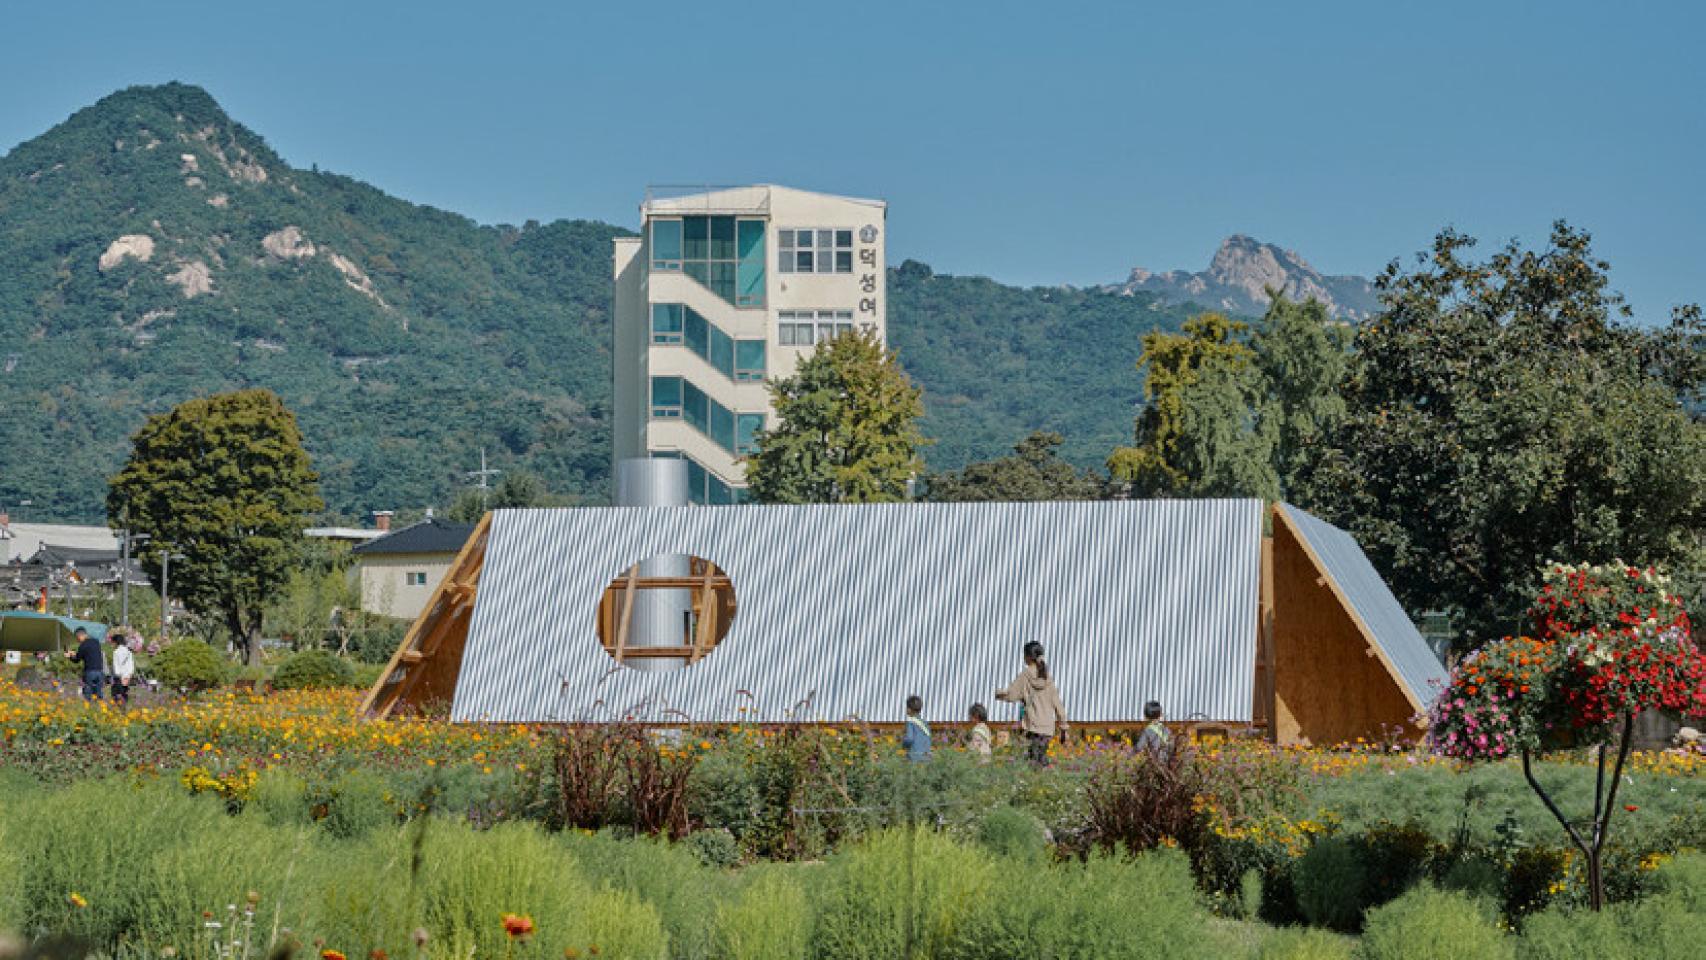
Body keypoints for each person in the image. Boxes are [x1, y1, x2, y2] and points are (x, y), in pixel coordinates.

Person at [996, 640, 1068, 766]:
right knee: (1040, 759)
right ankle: (1044, 782)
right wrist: (1063, 728)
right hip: (1047, 728)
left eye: (1024, 655)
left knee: (1033, 762)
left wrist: (997, 694)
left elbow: (1012, 695)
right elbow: (1058, 705)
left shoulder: (1025, 675)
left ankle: (1040, 782)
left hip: (1033, 727)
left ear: (1028, 657)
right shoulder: (1047, 677)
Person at [66, 627, 105, 701]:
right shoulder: (96, 642)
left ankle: (89, 709)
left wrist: (69, 656)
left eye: (77, 638)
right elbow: (90, 654)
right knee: (99, 694)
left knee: (88, 695)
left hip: (90, 672)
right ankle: (100, 710)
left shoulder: (83, 645)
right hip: (99, 671)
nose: (78, 640)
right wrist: (74, 653)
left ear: (79, 636)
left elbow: (77, 659)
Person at [900, 694, 932, 762]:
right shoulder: (925, 723)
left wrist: (903, 743)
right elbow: (929, 738)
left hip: (914, 756)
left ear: (909, 709)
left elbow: (909, 739)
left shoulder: (911, 722)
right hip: (926, 756)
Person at [109, 631, 136, 706]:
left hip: (119, 679)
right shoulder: (129, 652)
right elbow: (131, 666)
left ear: (116, 642)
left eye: (112, 642)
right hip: (127, 678)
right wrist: (128, 677)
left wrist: (121, 677)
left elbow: (116, 668)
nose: (112, 644)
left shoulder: (116, 652)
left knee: (116, 699)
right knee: (124, 698)